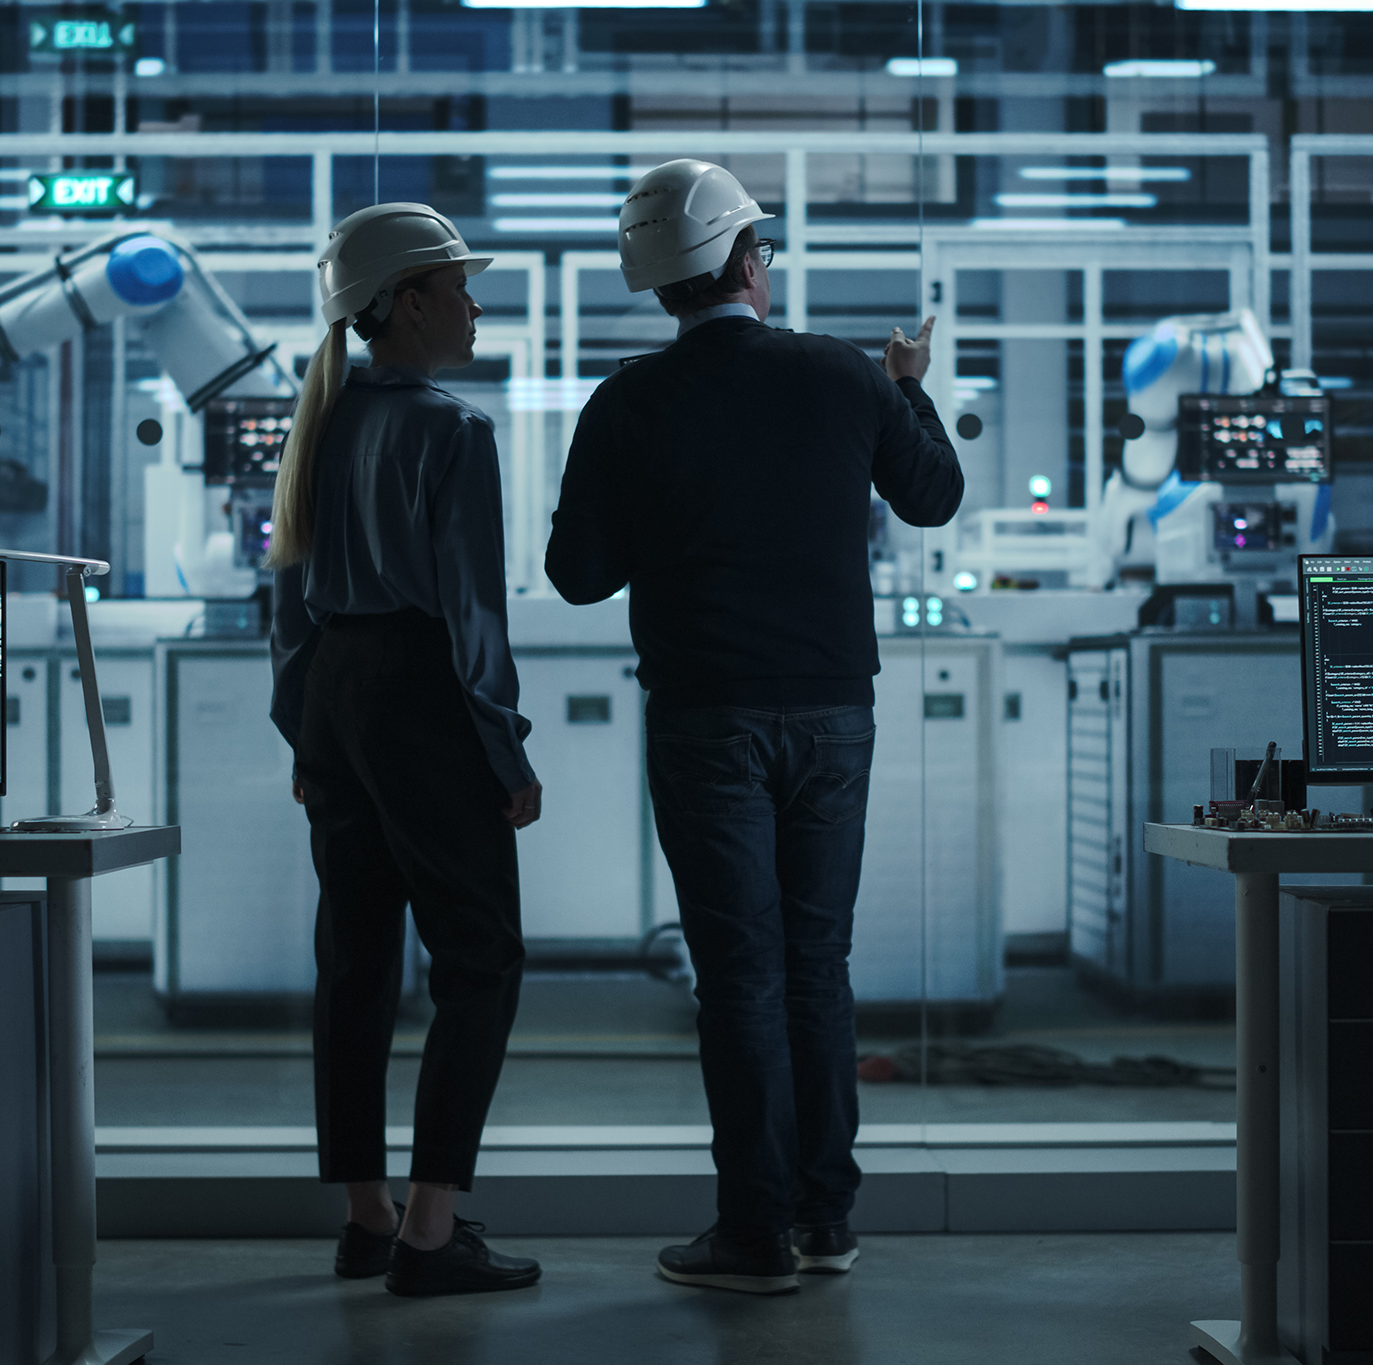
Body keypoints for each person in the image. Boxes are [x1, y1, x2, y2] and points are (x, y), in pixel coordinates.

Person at [543, 159, 964, 1295]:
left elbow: (576, 575)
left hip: (705, 720)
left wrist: (665, 518)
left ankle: (753, 1234)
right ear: (744, 264)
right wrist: (907, 386)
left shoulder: (628, 402)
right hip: (834, 715)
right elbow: (933, 497)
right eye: (762, 250)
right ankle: (827, 1219)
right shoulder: (843, 380)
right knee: (816, 967)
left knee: (739, 976)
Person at [268, 202, 545, 1298]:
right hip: (423, 699)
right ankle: (434, 1230)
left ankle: (366, 1217)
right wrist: (507, 756)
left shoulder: (320, 423)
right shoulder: (450, 429)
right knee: (481, 959)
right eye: (460, 287)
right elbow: (475, 617)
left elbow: (285, 607)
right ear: (411, 301)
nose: (474, 306)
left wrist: (305, 732)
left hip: (337, 695)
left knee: (356, 961)